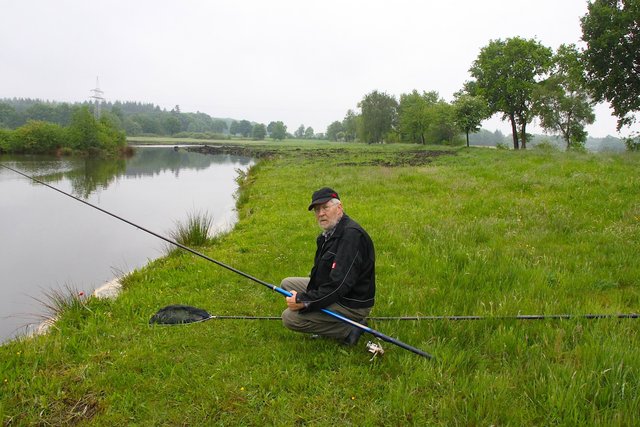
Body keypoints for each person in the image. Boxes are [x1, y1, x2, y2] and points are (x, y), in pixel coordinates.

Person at [281, 187, 375, 346]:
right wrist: (310, 295)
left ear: (339, 208)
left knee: (289, 318)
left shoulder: (351, 237)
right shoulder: (329, 233)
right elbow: (323, 274)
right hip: (337, 290)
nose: (320, 213)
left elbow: (339, 286)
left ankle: (349, 329)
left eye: (325, 207)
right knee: (287, 283)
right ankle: (330, 322)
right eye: (317, 210)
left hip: (351, 301)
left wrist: (305, 301)